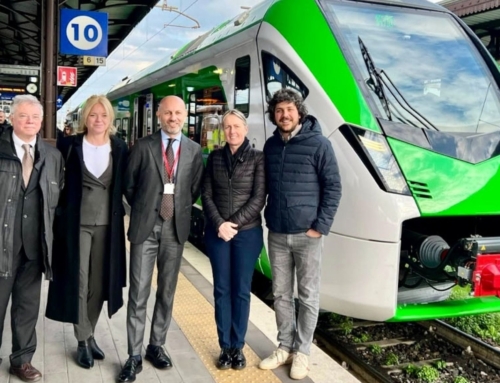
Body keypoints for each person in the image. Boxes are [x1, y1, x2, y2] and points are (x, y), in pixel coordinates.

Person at [258, 89, 342, 380]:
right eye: (279, 110)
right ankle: (284, 346)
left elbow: (333, 187)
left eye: (289, 109)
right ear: (274, 115)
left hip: (308, 236)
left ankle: (302, 352)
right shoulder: (270, 146)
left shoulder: (319, 144)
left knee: (307, 296)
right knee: (281, 294)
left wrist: (320, 226)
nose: (284, 115)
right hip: (278, 233)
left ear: (299, 112)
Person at [119, 95, 204, 382]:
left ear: (184, 115)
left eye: (178, 113)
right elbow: (129, 185)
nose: (173, 117)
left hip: (175, 229)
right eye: (167, 112)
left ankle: (156, 345)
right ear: (158, 115)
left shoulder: (193, 150)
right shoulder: (142, 147)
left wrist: (175, 210)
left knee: (167, 291)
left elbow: (193, 189)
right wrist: (147, 209)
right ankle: (133, 355)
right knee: (138, 292)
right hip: (145, 227)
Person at [45, 95, 128, 369]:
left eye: (103, 115)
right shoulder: (70, 144)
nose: (98, 120)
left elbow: (126, 185)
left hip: (108, 225)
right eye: (93, 115)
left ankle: (89, 332)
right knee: (79, 281)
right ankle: (82, 340)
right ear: (85, 119)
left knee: (99, 284)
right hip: (76, 224)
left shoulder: (119, 147)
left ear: (110, 119)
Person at [0, 95, 64, 382]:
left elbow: (57, 201)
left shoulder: (53, 156)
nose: (30, 121)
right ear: (10, 118)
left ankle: (21, 360)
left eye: (35, 117)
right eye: (23, 116)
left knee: (27, 307)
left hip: (34, 247)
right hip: (2, 243)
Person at [201, 109, 265, 370]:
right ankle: (224, 346)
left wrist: (233, 224)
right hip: (218, 234)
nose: (232, 131)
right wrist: (219, 224)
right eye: (227, 127)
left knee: (241, 291)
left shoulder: (258, 158)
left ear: (245, 129)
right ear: (222, 130)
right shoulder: (214, 157)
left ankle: (238, 347)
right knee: (221, 290)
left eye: (237, 126)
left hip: (247, 234)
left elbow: (259, 197)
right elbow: (206, 195)